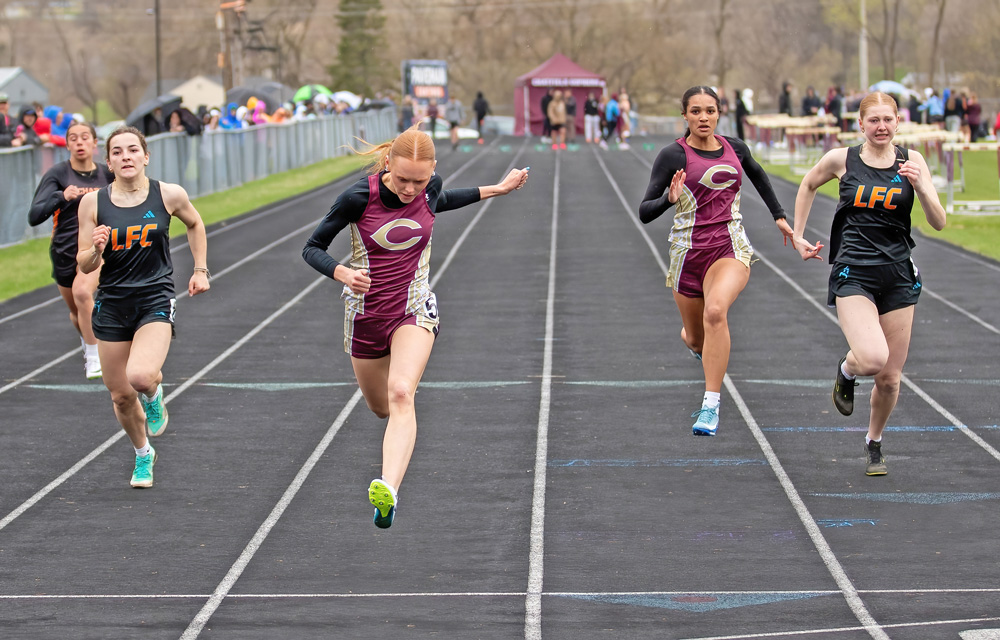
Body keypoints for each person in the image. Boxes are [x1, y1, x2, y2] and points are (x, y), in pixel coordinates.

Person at [301, 127, 529, 529]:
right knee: (381, 407)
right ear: (388, 163)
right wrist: (341, 272)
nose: (410, 189)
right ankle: (393, 446)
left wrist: (499, 189)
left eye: (419, 181)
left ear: (432, 172)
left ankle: (387, 490)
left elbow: (443, 200)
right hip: (366, 314)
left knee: (402, 392)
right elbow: (312, 247)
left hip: (413, 306)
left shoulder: (430, 188)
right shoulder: (358, 197)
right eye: (403, 179)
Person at [790, 91, 946, 476]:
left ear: (897, 122)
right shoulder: (842, 159)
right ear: (860, 124)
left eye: (887, 120)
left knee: (890, 379)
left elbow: (939, 221)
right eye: (873, 120)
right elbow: (808, 184)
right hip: (854, 270)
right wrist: (798, 234)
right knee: (873, 359)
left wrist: (922, 186)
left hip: (897, 275)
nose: (881, 127)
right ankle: (847, 370)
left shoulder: (913, 160)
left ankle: (873, 442)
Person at [638, 86, 791, 436]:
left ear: (719, 113)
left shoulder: (735, 147)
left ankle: (710, 406)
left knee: (716, 312)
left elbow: (758, 175)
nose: (703, 117)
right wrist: (668, 198)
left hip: (729, 245)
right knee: (696, 338)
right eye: (695, 112)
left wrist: (778, 215)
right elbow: (645, 212)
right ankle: (701, 349)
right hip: (688, 252)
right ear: (685, 116)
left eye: (709, 110)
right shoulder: (671, 156)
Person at [76, 126, 211, 488]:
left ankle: (153, 393)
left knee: (139, 376)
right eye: (117, 152)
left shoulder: (168, 194)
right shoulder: (93, 204)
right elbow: (85, 265)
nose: (126, 157)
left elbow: (196, 223)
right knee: (120, 395)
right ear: (109, 162)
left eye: (132, 150)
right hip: (112, 304)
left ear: (145, 156)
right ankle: (143, 455)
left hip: (154, 298)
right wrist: (96, 249)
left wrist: (200, 269)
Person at [27, 121, 115, 379]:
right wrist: (60, 197)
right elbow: (34, 215)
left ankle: (93, 357)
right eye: (73, 138)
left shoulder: (106, 175)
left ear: (94, 143)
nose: (79, 142)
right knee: (78, 313)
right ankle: (88, 340)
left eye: (84, 137)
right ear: (66, 145)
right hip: (64, 252)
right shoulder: (57, 175)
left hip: (96, 249)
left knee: (83, 293)